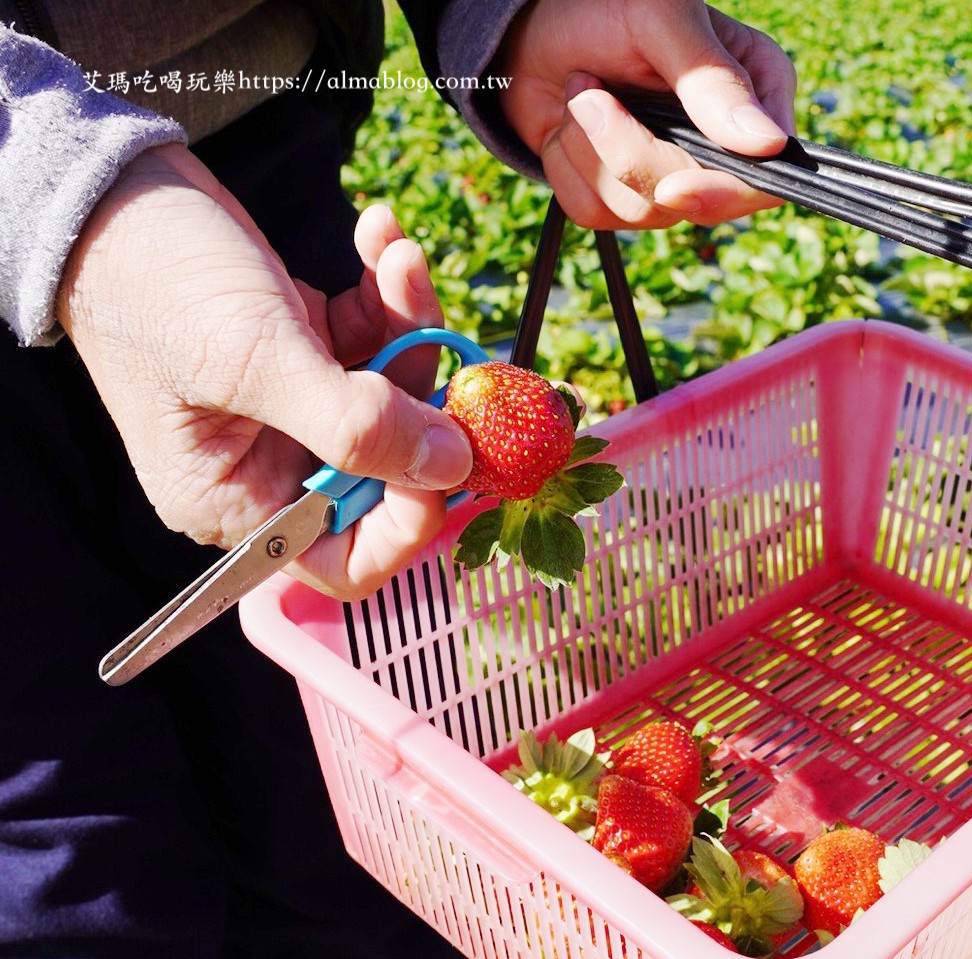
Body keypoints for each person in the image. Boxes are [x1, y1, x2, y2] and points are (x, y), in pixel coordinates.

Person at [0, 1, 795, 954]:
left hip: (238, 205)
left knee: (343, 806)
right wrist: (63, 194)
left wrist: (508, 13)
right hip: (116, 212)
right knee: (72, 852)